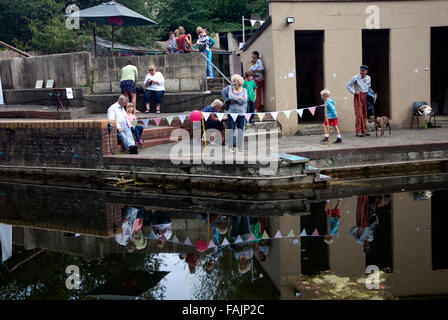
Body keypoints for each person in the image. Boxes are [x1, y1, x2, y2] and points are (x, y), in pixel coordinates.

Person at [346, 65, 372, 137]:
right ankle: (358, 131)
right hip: (358, 96)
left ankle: (364, 130)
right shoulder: (355, 78)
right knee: (359, 114)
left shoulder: (368, 78)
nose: (362, 72)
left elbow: (369, 86)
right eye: (361, 71)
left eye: (364, 71)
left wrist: (370, 94)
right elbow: (348, 86)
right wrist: (354, 92)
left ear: (366, 71)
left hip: (366, 95)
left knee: (365, 114)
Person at [227, 74, 248, 152]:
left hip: (241, 113)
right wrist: (239, 99)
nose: (234, 83)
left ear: (239, 82)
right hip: (231, 112)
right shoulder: (230, 89)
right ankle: (230, 147)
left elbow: (245, 100)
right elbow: (230, 97)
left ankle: (240, 147)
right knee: (231, 129)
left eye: (235, 81)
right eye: (233, 81)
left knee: (240, 130)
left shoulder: (244, 90)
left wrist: (235, 100)